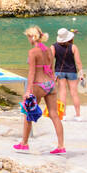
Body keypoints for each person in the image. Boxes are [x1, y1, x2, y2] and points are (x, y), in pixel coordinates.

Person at [15, 26, 66, 154]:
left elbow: (32, 73)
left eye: (28, 36)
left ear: (32, 37)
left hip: (38, 84)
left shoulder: (33, 52)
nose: (28, 39)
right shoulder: (49, 50)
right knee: (54, 115)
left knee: (28, 113)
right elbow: (51, 69)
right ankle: (61, 146)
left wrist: (28, 91)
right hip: (50, 84)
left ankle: (24, 143)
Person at [53, 27, 85, 120]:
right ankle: (78, 115)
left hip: (59, 72)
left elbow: (50, 61)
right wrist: (81, 74)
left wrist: (51, 73)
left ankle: (63, 115)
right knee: (74, 93)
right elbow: (78, 62)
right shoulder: (73, 47)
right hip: (72, 72)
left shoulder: (53, 46)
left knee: (62, 93)